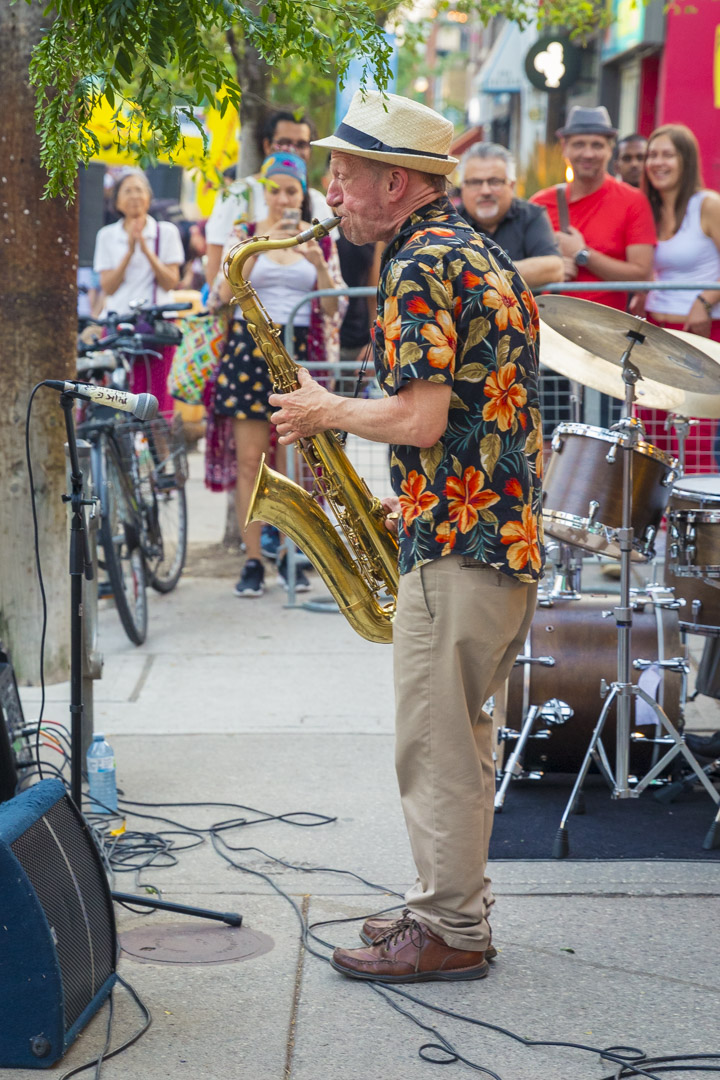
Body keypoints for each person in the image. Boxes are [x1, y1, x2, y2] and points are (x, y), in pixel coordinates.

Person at [269, 90, 544, 983]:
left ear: (397, 183)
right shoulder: (479, 251)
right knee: (459, 737)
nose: (334, 191)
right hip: (491, 534)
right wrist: (408, 503)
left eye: (345, 174)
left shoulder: (418, 265)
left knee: (434, 743)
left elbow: (421, 418)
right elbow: (470, 418)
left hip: (464, 549)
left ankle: (451, 930)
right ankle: (445, 903)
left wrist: (322, 409)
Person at [205, 152, 345, 598]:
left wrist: (315, 260)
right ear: (263, 191)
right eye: (275, 189)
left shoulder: (317, 238)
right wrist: (258, 246)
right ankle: (252, 561)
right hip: (250, 353)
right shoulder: (244, 234)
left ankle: (290, 555)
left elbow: (331, 307)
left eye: (292, 191)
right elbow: (220, 295)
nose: (283, 198)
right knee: (250, 463)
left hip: (300, 353)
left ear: (303, 196)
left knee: (295, 467)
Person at [631, 123, 720, 472]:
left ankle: (697, 519)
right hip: (657, 330)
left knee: (696, 430)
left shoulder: (707, 205)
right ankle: (660, 518)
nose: (657, 162)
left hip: (702, 332)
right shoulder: (646, 209)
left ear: (686, 160)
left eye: (667, 154)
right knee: (652, 430)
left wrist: (705, 300)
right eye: (652, 155)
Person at [530, 106, 656, 310]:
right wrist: (552, 267)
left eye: (597, 145)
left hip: (607, 330)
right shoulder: (540, 203)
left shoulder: (634, 201)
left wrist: (583, 254)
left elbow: (642, 277)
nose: (588, 153)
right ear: (565, 148)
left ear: (609, 150)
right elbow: (516, 266)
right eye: (579, 144)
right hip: (548, 326)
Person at [92, 168, 185, 413]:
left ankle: (155, 450)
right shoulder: (106, 236)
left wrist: (146, 250)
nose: (134, 196)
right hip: (117, 325)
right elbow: (108, 286)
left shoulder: (166, 232)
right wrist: (129, 252)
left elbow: (170, 281)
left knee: (155, 401)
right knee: (114, 398)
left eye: (140, 189)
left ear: (149, 196)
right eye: (128, 190)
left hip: (156, 327)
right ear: (117, 200)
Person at [205, 110, 331, 287]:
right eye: (284, 142)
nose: (292, 150)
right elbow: (215, 265)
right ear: (267, 145)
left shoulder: (318, 201)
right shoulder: (237, 195)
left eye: (301, 144)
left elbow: (330, 265)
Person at [458, 143, 563, 288]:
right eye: (476, 182)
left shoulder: (531, 215)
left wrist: (474, 273)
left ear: (511, 186)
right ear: (463, 187)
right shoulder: (449, 222)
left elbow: (554, 268)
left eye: (495, 181)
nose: (485, 190)